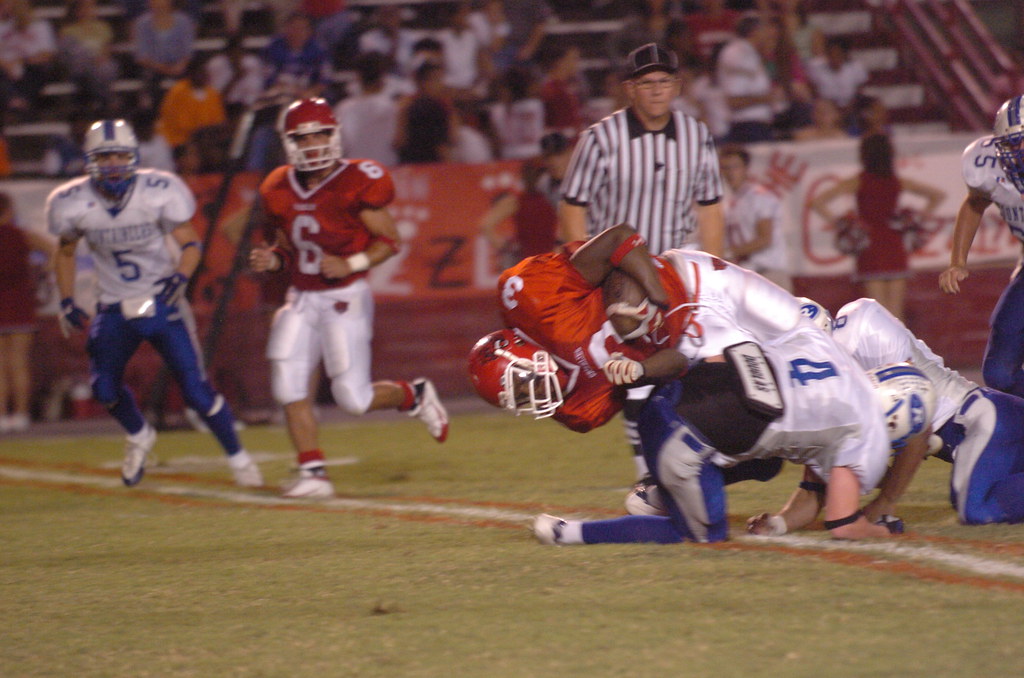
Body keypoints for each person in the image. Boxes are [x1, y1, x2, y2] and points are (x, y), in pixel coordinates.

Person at [248, 98, 450, 499]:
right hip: (301, 297)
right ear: (290, 144)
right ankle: (314, 473)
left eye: (320, 134)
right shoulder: (276, 187)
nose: (313, 145)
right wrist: (274, 261)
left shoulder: (358, 180)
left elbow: (389, 241)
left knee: (352, 399)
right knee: (288, 384)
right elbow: (288, 248)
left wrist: (351, 261)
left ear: (335, 135)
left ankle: (415, 394)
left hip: (344, 296)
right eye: (302, 138)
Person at [46, 119, 262, 488]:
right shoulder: (73, 200)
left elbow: (191, 244)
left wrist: (180, 276)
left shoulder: (158, 189)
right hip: (114, 306)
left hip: (161, 300)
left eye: (120, 155)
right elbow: (65, 253)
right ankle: (139, 434)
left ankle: (239, 457)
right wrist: (66, 300)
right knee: (104, 389)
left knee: (196, 390)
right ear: (89, 160)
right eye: (105, 156)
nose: (113, 164)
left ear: (133, 157)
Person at [534, 347, 935, 545]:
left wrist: (778, 524)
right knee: (698, 534)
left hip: (670, 391)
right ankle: (572, 533)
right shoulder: (867, 430)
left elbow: (814, 483)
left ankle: (661, 490)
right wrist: (881, 532)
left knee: (768, 462)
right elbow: (843, 524)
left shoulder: (835, 361)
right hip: (681, 438)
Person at [823, 297, 1024, 525]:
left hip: (983, 415)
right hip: (981, 426)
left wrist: (886, 500)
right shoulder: (831, 375)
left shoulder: (861, 331)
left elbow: (919, 428)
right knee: (979, 497)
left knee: (975, 509)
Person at [559, 43, 725, 257]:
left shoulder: (697, 135)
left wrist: (714, 267)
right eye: (646, 83)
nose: (657, 91)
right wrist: (583, 270)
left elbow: (710, 207)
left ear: (676, 87)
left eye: (664, 82)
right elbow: (572, 206)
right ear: (630, 89)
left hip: (677, 266)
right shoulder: (600, 137)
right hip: (614, 268)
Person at [939, 96, 1024, 398]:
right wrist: (958, 260)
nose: (1021, 153)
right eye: (1015, 144)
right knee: (999, 373)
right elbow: (974, 203)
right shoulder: (987, 166)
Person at [811, 133, 945, 322]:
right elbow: (937, 195)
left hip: (869, 247)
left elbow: (817, 202)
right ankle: (900, 351)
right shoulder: (896, 182)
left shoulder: (859, 181)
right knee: (896, 315)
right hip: (894, 244)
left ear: (864, 155)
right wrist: (917, 218)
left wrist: (840, 224)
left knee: (876, 314)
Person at [0, 192, 53, 434]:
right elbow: (53, 249)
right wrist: (43, 273)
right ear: (9, 210)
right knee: (19, 363)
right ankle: (21, 415)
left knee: (1, 365)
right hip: (21, 305)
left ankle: (2, 416)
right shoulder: (22, 235)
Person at [719, 144, 791, 291]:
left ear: (746, 168)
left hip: (768, 274)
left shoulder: (760, 197)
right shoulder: (731, 201)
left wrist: (726, 252)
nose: (730, 173)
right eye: (725, 167)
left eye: (735, 167)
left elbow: (765, 238)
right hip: (747, 275)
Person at [334, 52, 398, 167]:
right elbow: (398, 142)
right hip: (385, 172)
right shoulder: (391, 107)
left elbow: (339, 147)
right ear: (382, 78)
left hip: (355, 172)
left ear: (358, 77)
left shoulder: (343, 108)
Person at [131, 0, 197, 110]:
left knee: (190, 79)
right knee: (149, 82)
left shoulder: (184, 22)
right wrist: (164, 68)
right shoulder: (141, 24)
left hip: (179, 65)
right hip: (153, 66)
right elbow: (141, 56)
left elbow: (188, 51)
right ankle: (154, 114)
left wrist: (180, 66)